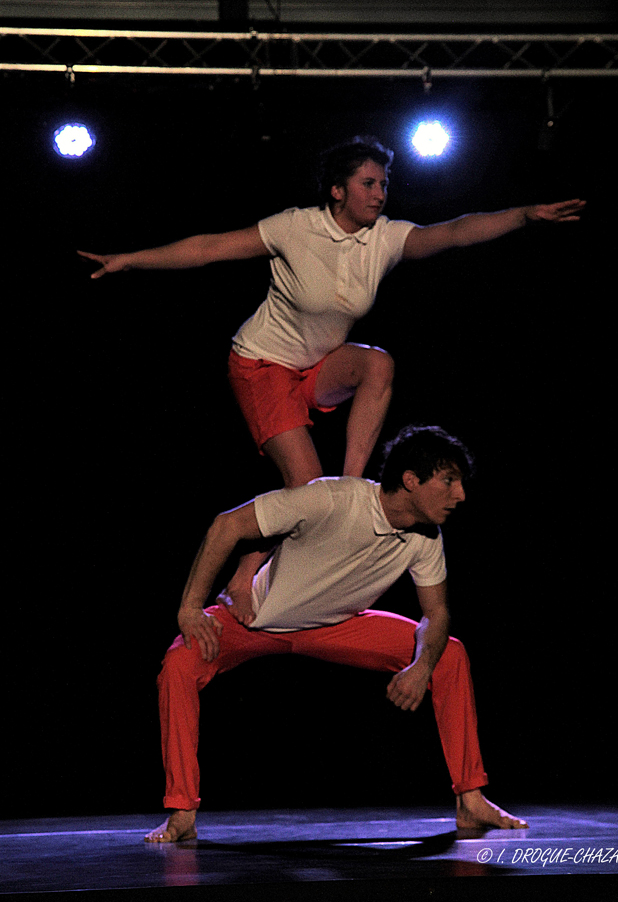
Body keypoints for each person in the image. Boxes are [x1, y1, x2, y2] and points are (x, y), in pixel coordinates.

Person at [78, 137, 584, 622]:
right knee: (304, 491)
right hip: (262, 366)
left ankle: (349, 484)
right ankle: (245, 574)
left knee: (377, 365)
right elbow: (209, 248)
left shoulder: (383, 238)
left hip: (316, 366)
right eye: (368, 184)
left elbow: (452, 232)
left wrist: (522, 215)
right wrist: (131, 260)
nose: (380, 194)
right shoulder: (296, 228)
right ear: (337, 190)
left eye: (384, 184)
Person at [144, 425, 529, 843]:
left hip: (337, 625)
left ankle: (470, 800)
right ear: (411, 480)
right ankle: (182, 811)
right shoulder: (334, 498)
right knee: (179, 664)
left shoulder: (427, 537)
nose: (461, 496)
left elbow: (436, 615)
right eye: (449, 482)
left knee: (447, 655)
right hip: (256, 620)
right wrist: (189, 608)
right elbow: (226, 526)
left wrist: (421, 667)